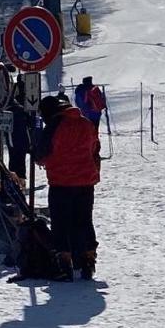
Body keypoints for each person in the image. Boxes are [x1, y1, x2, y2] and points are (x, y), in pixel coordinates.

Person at [33, 96, 101, 281]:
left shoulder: (54, 126)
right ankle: (88, 259)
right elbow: (95, 147)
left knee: (61, 223)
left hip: (61, 182)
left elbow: (41, 155)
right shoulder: (86, 123)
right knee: (84, 221)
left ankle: (65, 264)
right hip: (86, 182)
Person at [7, 80, 33, 179]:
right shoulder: (22, 110)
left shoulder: (7, 112)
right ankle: (21, 181)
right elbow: (30, 123)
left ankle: (14, 182)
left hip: (12, 141)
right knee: (21, 161)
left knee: (13, 161)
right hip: (23, 140)